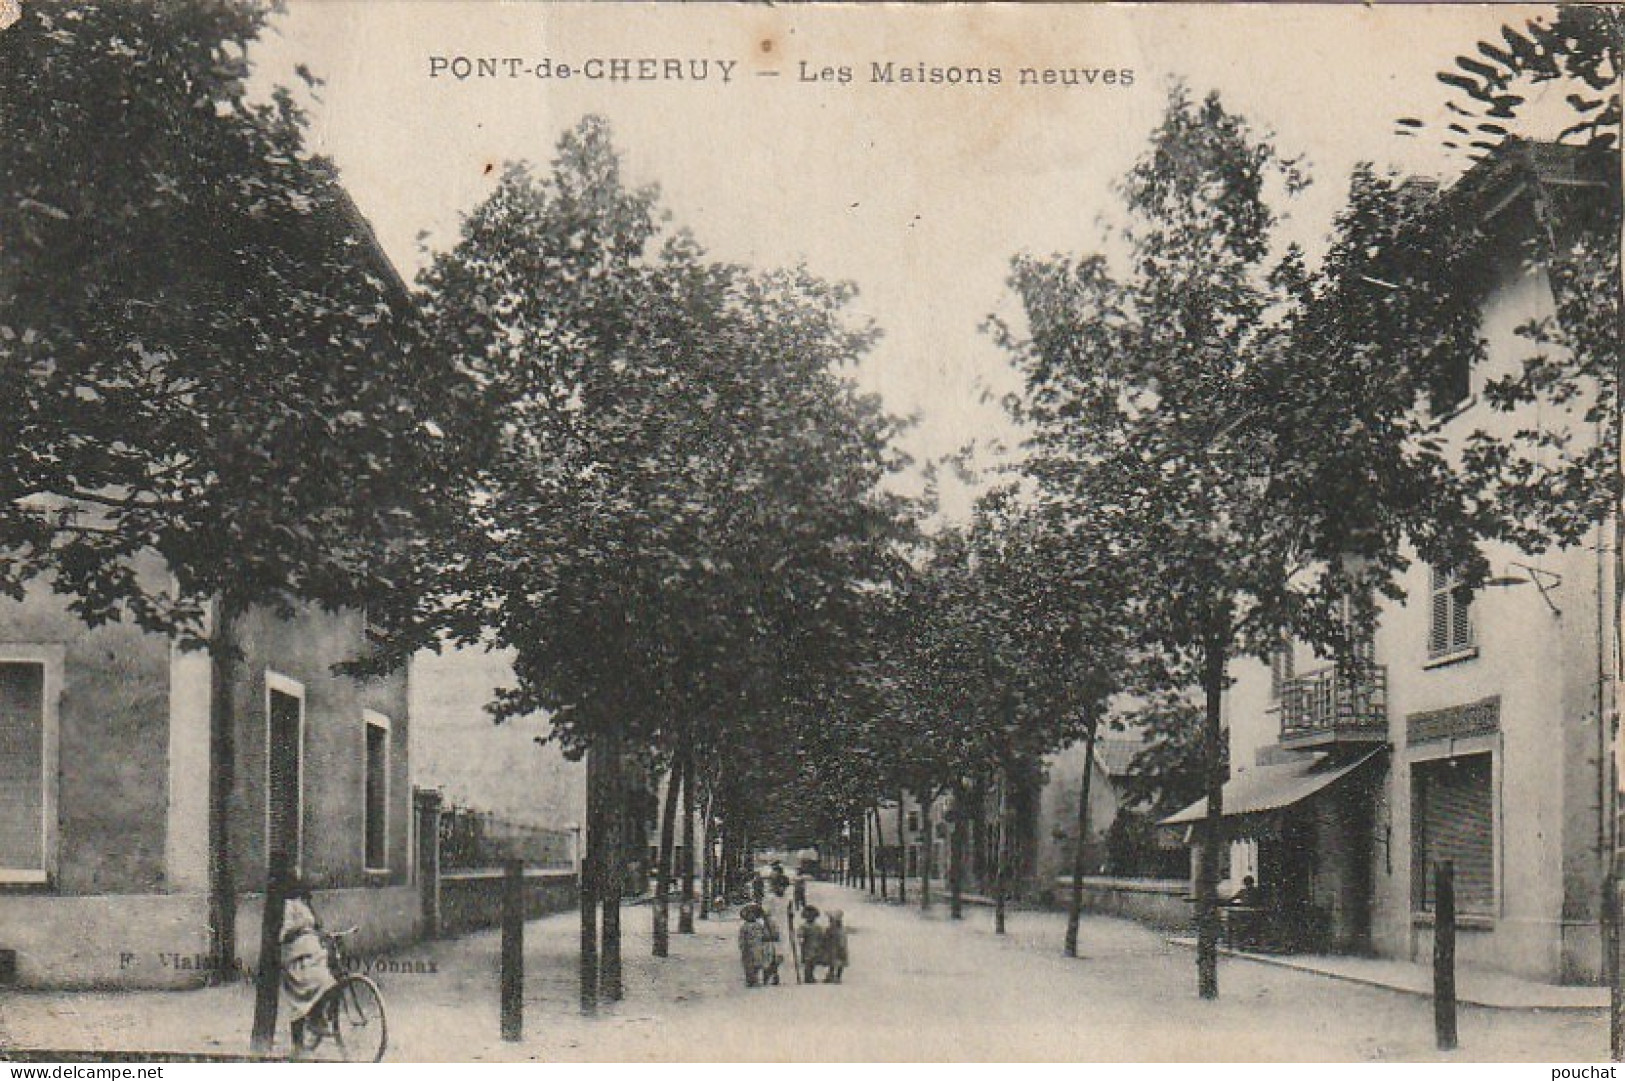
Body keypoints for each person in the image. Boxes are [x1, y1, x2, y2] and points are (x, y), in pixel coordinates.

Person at [280, 880, 338, 1050]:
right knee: (307, 989)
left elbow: (316, 925)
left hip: (312, 954)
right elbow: (284, 933)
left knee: (327, 980)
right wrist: (302, 928)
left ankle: (316, 1016)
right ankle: (300, 1042)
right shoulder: (288, 906)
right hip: (297, 956)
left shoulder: (304, 906)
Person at [737, 904, 774, 988]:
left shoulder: (759, 925)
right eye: (749, 915)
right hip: (748, 948)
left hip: (758, 947)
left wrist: (766, 937)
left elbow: (765, 934)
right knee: (748, 965)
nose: (751, 916)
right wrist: (742, 945)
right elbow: (741, 938)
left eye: (753, 914)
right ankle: (750, 980)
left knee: (757, 964)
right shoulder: (744, 927)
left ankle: (755, 979)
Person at [797, 904, 826, 985]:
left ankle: (810, 976)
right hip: (807, 946)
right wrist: (801, 939)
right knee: (808, 961)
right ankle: (808, 977)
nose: (811, 918)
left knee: (813, 962)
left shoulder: (818, 927)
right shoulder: (804, 926)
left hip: (816, 946)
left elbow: (821, 936)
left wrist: (822, 943)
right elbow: (800, 935)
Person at [822, 909, 848, 983]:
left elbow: (842, 940)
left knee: (840, 963)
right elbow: (826, 937)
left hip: (839, 948)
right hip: (832, 949)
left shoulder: (840, 930)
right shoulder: (830, 929)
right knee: (832, 963)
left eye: (831, 920)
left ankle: (838, 977)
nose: (830, 922)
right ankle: (831, 976)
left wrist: (842, 946)